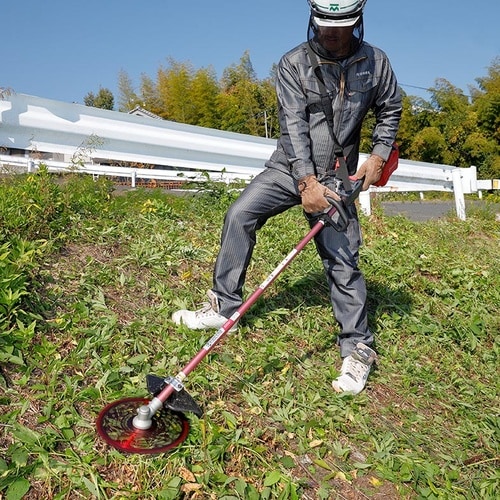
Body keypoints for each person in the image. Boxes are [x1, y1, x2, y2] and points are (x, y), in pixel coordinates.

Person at [173, 0, 402, 395]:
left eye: (341, 26)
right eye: (324, 25)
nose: (331, 34)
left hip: (337, 175)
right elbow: (292, 125)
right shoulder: (293, 63)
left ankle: (357, 348)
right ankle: (224, 306)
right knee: (239, 214)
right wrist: (306, 182)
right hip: (288, 168)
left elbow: (391, 108)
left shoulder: (376, 62)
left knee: (342, 258)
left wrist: (379, 155)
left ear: (357, 23)